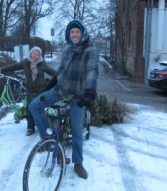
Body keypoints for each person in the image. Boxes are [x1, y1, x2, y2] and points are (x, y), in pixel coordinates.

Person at [29, 20, 99, 179]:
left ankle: (78, 163)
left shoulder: (90, 50)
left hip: (79, 95)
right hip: (61, 89)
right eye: (72, 32)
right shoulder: (67, 48)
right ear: (69, 34)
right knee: (35, 106)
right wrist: (52, 83)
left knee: (76, 130)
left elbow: (92, 71)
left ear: (82, 33)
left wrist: (90, 92)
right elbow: (62, 69)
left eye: (77, 32)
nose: (74, 35)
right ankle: (49, 141)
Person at [0, 46, 56, 136]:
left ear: (40, 55)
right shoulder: (25, 62)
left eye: (37, 54)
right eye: (34, 53)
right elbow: (14, 66)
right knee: (29, 109)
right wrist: (2, 69)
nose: (35, 56)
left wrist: (62, 75)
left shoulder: (42, 63)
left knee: (41, 109)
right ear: (31, 53)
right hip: (30, 90)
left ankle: (45, 127)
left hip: (41, 90)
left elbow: (52, 71)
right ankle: (30, 128)